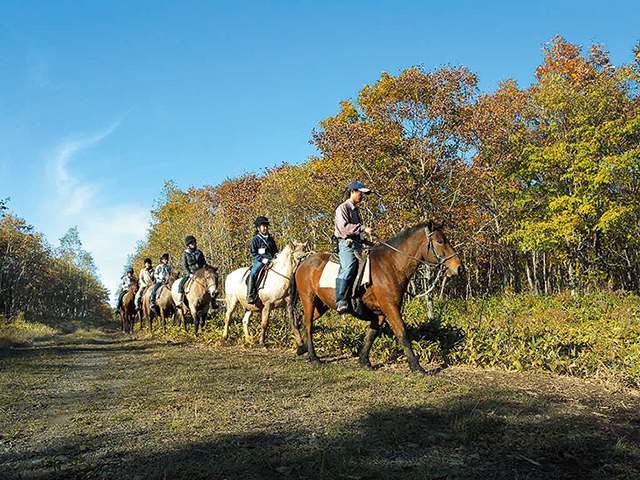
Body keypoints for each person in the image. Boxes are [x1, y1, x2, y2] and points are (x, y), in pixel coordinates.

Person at [334, 181, 374, 314]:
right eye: (360, 193)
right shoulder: (343, 208)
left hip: (357, 245)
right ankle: (340, 301)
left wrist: (366, 241)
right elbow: (344, 228)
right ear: (352, 191)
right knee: (349, 267)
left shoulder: (355, 210)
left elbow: (356, 233)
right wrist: (363, 228)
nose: (362, 196)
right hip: (347, 245)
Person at [247, 216, 278, 304]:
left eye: (266, 226)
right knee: (254, 272)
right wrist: (263, 260)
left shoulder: (270, 239)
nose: (265, 228)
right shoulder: (256, 239)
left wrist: (276, 257)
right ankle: (249, 295)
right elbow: (253, 252)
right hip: (260, 261)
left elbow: (275, 251)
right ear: (258, 228)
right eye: (263, 226)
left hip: (271, 260)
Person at [177, 235, 206, 307]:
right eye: (191, 243)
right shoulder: (185, 253)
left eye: (193, 242)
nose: (193, 244)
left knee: (210, 282)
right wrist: (189, 274)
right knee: (181, 284)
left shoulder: (199, 252)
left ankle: (213, 302)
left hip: (200, 273)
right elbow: (184, 266)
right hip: (190, 273)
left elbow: (203, 263)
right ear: (188, 245)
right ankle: (180, 300)